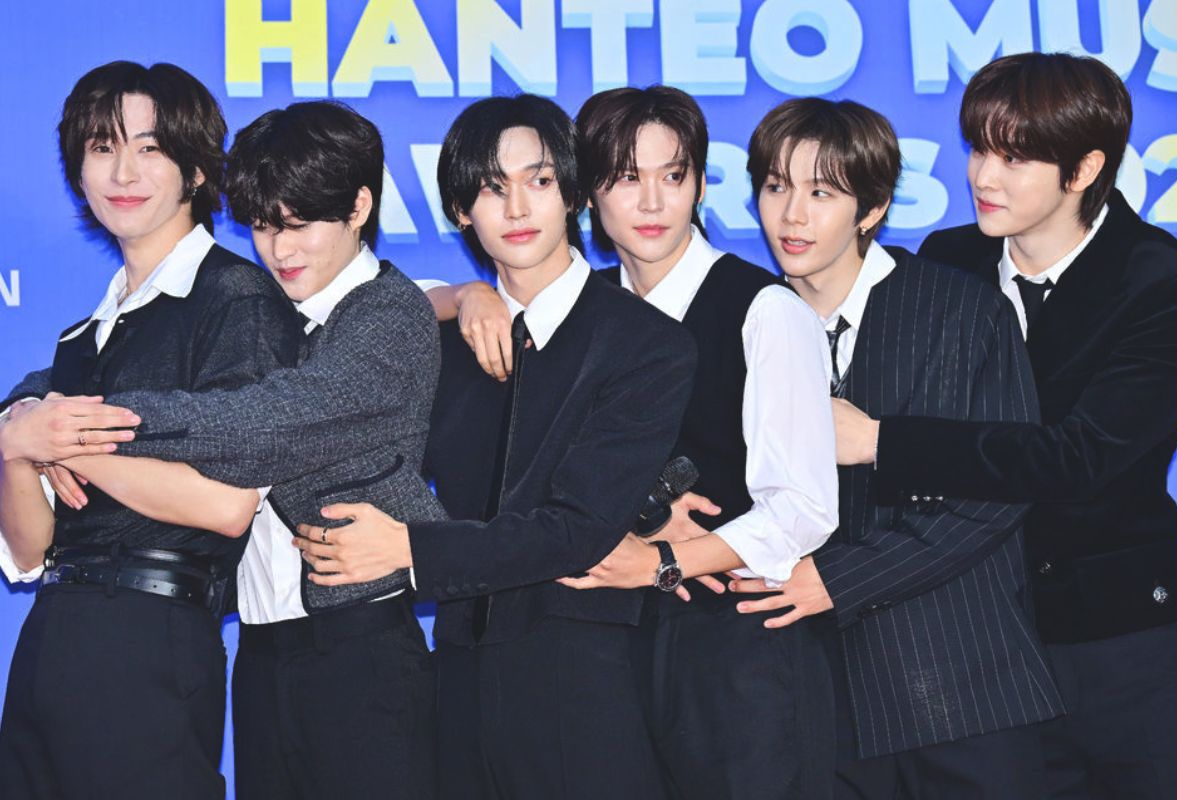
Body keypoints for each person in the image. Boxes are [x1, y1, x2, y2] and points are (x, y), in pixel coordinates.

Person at [291, 94, 696, 799]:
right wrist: (457, 297)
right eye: (490, 188)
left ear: (573, 193)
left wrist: (408, 548)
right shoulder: (439, 349)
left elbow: (577, 530)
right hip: (457, 684)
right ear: (459, 211)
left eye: (539, 181)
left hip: (589, 683)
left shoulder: (647, 344)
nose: (516, 208)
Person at [833, 52, 1177, 799]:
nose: (983, 176)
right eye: (978, 148)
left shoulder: (1163, 284)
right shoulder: (948, 260)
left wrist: (882, 441)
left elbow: (1080, 459)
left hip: (1120, 642)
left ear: (1085, 168)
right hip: (972, 646)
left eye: (1015, 158)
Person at [82, 101, 442, 799]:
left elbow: (264, 427)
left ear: (359, 206)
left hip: (361, 652)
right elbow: (103, 359)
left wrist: (89, 425)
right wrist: (31, 407)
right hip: (258, 651)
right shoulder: (258, 311)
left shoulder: (389, 315)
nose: (281, 250)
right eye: (263, 226)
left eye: (300, 224)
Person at [728, 97, 1062, 799]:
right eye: (776, 187)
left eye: (822, 193)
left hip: (960, 689)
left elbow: (997, 494)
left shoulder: (960, 309)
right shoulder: (741, 319)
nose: (792, 216)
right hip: (808, 703)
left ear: (872, 208)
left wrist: (837, 578)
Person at [0, 61, 299, 799]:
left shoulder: (236, 300)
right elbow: (30, 550)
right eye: (102, 148)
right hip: (51, 635)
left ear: (195, 169)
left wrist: (63, 441)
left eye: (150, 148)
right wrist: (14, 447)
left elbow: (227, 505)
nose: (123, 172)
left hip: (153, 636)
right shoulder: (82, 337)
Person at [541, 85, 838, 800]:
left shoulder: (765, 309)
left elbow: (803, 507)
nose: (652, 202)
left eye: (672, 176)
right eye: (625, 178)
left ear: (700, 185)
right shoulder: (577, 313)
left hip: (737, 648)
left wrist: (662, 562)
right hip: (600, 652)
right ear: (588, 195)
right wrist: (466, 299)